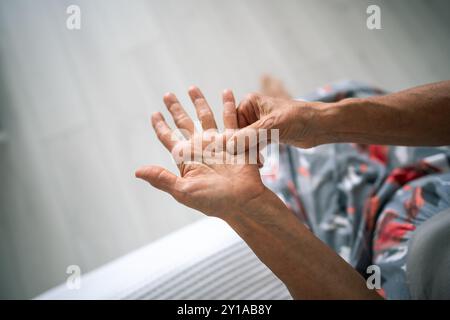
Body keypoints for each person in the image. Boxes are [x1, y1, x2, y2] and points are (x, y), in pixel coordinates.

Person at [135, 77, 450, 299]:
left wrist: (250, 208)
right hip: (432, 178)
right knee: (341, 102)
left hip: (385, 243)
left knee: (304, 173)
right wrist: (319, 119)